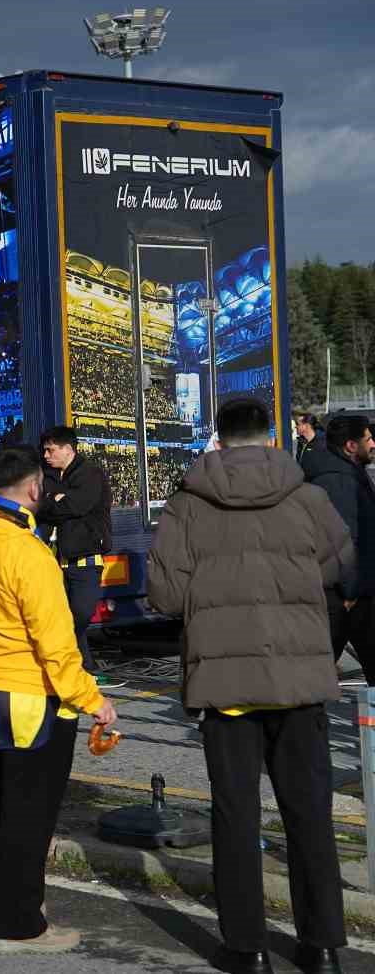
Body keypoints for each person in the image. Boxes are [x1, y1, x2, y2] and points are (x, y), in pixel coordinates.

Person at [148, 398, 353, 974]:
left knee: (235, 815)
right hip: (300, 678)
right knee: (310, 813)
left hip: (225, 682)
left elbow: (164, 595)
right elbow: (340, 563)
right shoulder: (308, 495)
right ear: (270, 437)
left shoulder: (187, 504)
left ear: (218, 438)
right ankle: (324, 946)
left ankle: (247, 948)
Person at [0, 446, 113, 955]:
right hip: (33, 699)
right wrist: (92, 699)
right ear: (35, 488)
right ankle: (18, 925)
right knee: (29, 818)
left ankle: (11, 903)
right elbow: (56, 645)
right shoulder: (26, 551)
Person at [36, 425, 119, 690]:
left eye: (51, 449)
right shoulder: (46, 476)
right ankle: (84, 668)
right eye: (44, 449)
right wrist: (55, 500)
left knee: (80, 613)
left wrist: (57, 502)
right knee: (62, 615)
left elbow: (76, 505)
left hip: (85, 557)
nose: (46, 454)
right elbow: (41, 505)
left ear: (68, 449)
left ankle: (77, 666)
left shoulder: (91, 474)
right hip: (53, 560)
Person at [302, 413, 375, 682]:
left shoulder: (346, 472)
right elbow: (343, 539)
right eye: (368, 439)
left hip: (352, 591)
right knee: (315, 677)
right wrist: (351, 590)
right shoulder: (337, 480)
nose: (374, 444)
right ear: (350, 446)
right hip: (348, 594)